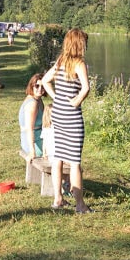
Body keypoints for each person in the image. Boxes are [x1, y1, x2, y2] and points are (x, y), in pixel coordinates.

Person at [41, 27, 91, 212]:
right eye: (85, 42)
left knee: (59, 157)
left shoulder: (61, 61)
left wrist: (56, 98)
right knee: (75, 161)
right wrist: (76, 101)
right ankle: (80, 205)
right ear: (79, 43)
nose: (86, 46)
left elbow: (45, 80)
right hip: (71, 116)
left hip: (58, 115)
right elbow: (86, 88)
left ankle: (58, 199)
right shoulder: (79, 64)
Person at [18, 74, 47, 166]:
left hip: (39, 137)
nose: (40, 89)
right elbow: (29, 129)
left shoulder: (38, 100)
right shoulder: (32, 104)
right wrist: (32, 151)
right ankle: (66, 179)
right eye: (37, 86)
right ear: (31, 86)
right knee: (59, 153)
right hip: (33, 142)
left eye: (43, 86)